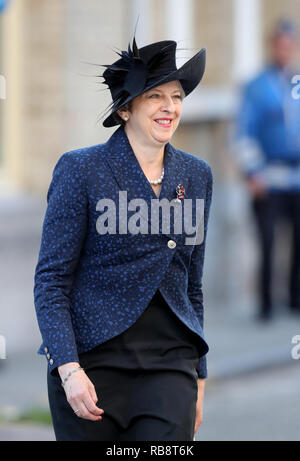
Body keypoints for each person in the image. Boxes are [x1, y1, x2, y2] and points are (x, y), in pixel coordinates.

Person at [33, 36, 213, 441]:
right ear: (126, 108)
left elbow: (192, 284)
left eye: (177, 96)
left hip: (169, 368)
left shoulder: (197, 175)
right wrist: (68, 368)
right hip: (91, 369)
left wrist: (198, 374)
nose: (170, 107)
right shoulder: (81, 170)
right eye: (155, 96)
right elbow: (51, 281)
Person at [235, 19, 300, 321]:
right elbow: (243, 132)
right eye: (280, 43)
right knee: (268, 240)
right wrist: (252, 172)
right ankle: (266, 306)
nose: (285, 50)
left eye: (290, 44)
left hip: (296, 176)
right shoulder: (257, 86)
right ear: (273, 45)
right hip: (268, 176)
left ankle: (294, 299)